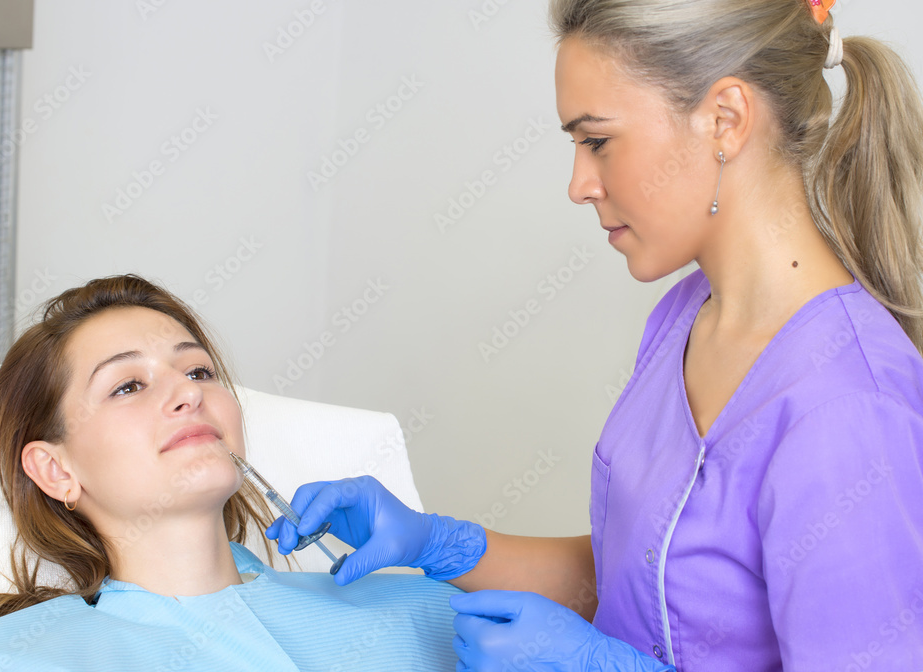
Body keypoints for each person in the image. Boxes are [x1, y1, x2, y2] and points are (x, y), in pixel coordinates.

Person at [268, 0, 923, 670]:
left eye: (598, 141)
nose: (579, 184)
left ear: (725, 120)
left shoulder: (848, 409)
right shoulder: (684, 316)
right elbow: (645, 578)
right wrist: (439, 543)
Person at [0, 275, 460, 671]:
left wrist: (452, 553)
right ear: (55, 469)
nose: (188, 393)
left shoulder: (435, 616)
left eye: (199, 371)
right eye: (127, 386)